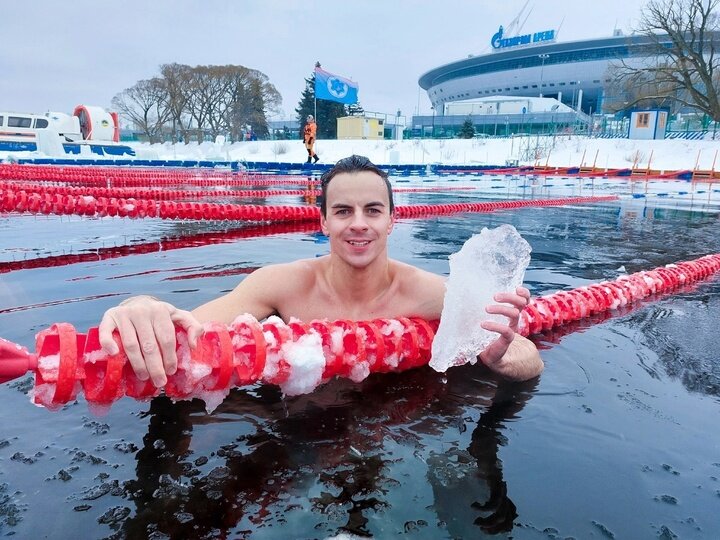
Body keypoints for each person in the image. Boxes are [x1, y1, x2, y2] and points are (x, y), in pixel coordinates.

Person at [99, 155, 543, 388]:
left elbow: (529, 359)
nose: (358, 224)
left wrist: (499, 358)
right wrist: (141, 306)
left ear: (392, 220)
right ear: (323, 222)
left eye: (372, 210)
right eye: (343, 210)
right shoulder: (283, 284)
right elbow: (194, 326)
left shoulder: (427, 293)